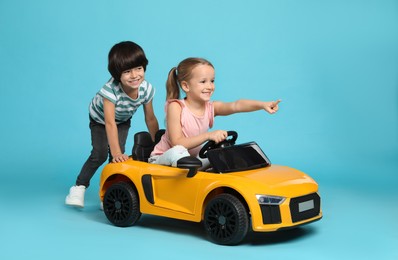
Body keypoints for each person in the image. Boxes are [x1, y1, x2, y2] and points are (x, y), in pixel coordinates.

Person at [65, 41, 159, 208]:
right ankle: (78, 187)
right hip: (100, 121)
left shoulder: (147, 89)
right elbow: (109, 123)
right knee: (101, 154)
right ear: (117, 75)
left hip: (122, 120)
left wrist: (159, 144)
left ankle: (110, 192)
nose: (135, 75)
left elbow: (150, 118)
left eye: (139, 68)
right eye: (127, 72)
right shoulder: (110, 90)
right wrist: (115, 152)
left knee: (117, 158)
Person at [149, 57, 280, 167]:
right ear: (185, 86)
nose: (210, 86)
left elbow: (236, 105)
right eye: (203, 82)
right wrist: (208, 136)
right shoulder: (176, 107)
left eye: (212, 81)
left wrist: (262, 105)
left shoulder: (210, 107)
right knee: (178, 151)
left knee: (220, 156)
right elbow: (178, 142)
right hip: (164, 159)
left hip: (192, 161)